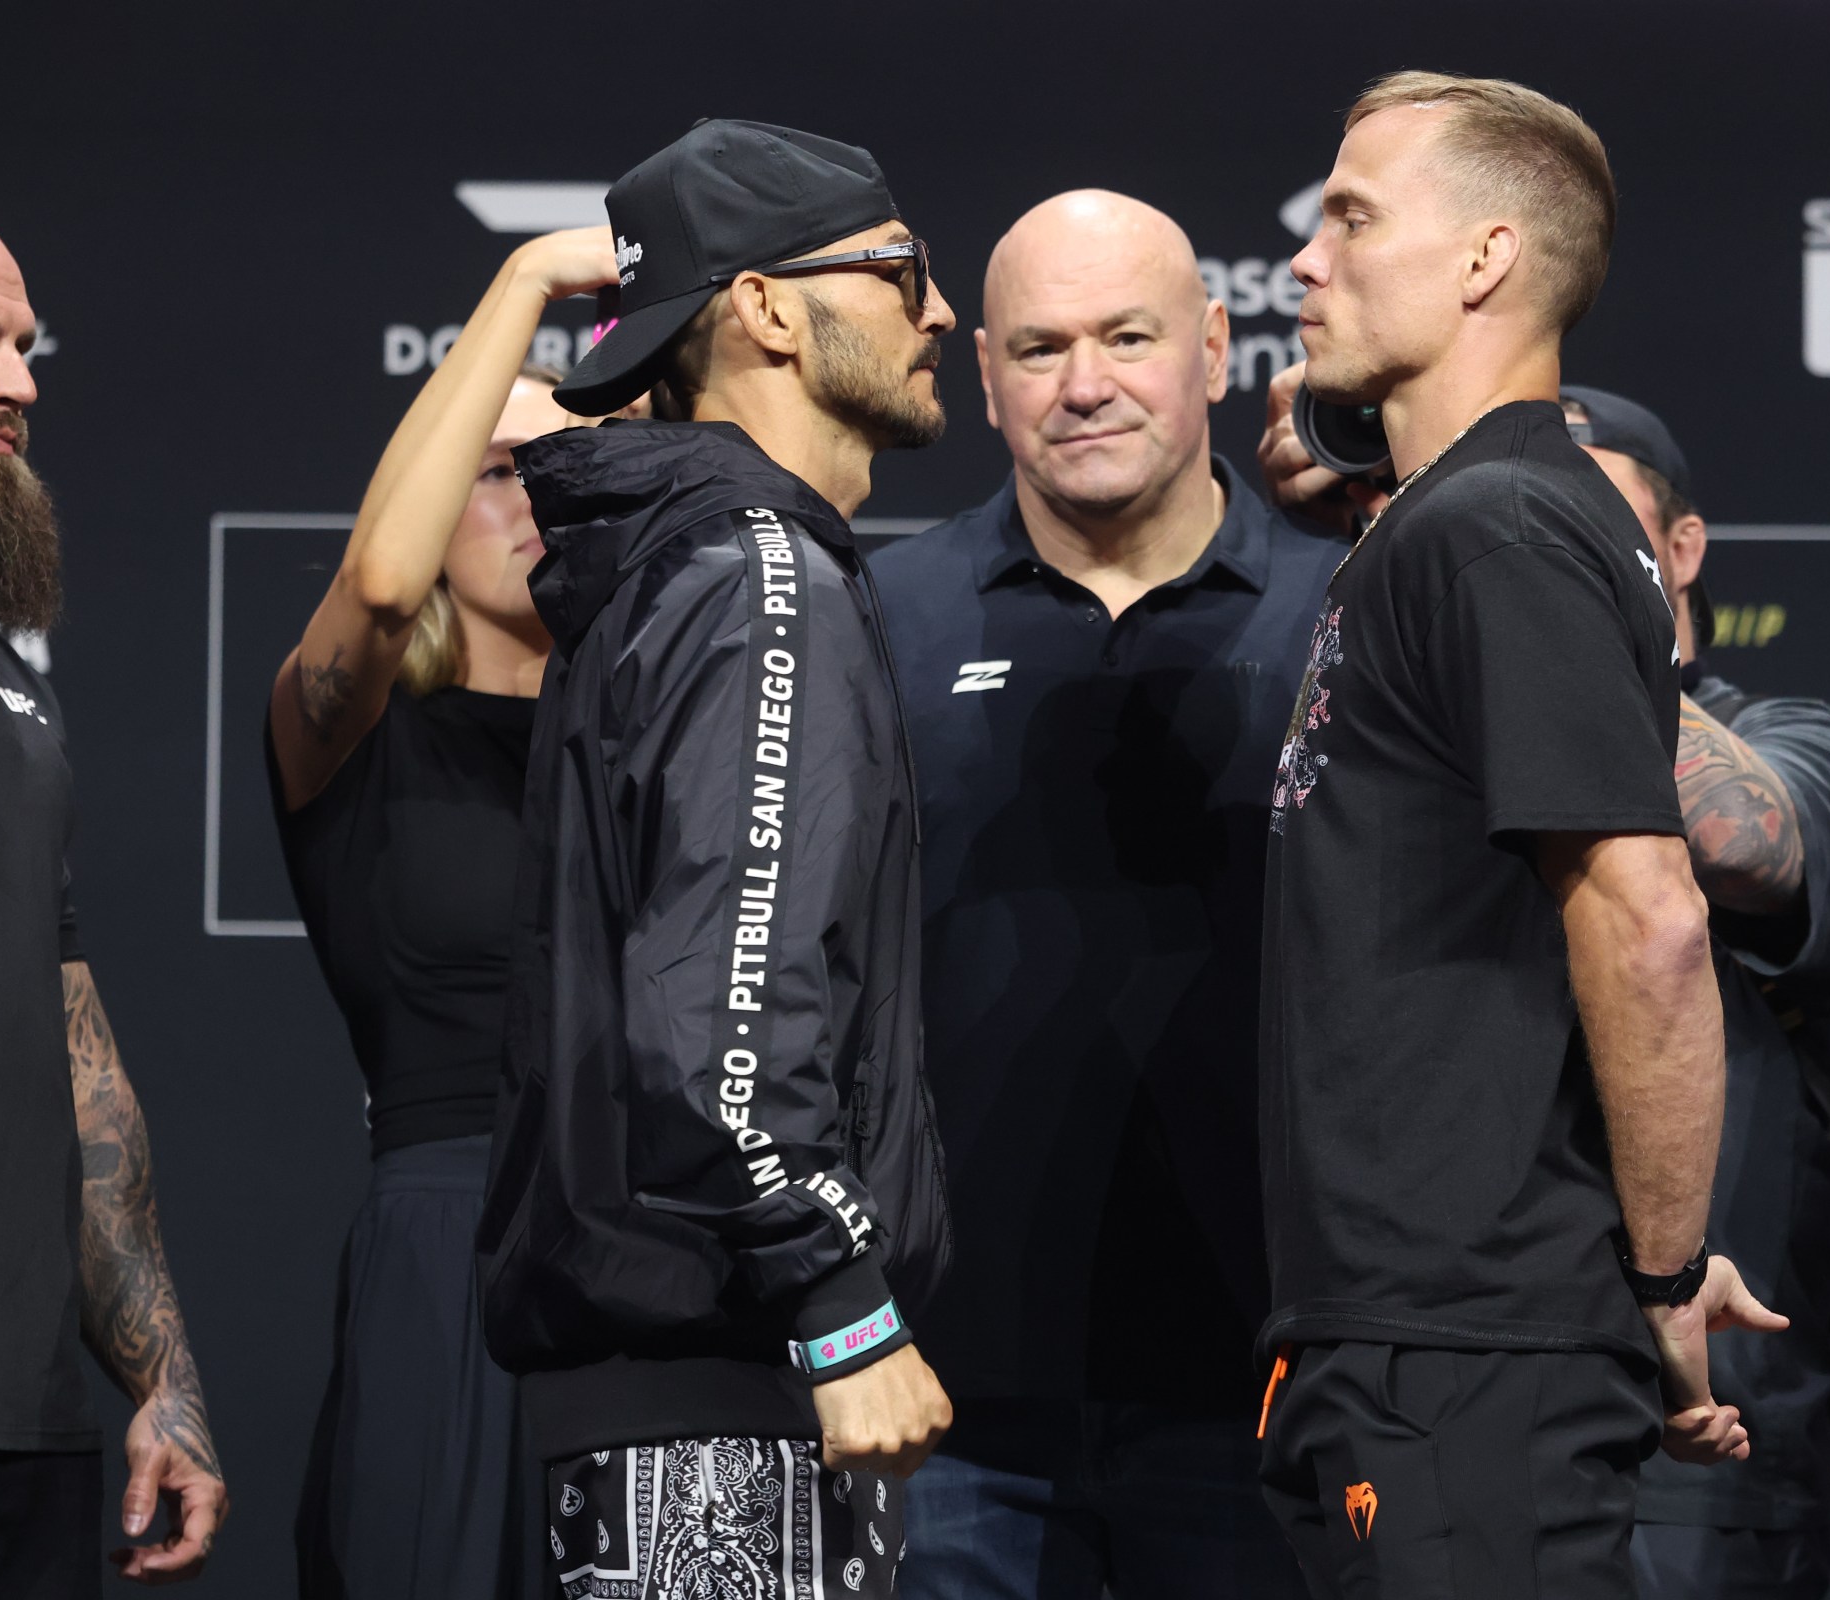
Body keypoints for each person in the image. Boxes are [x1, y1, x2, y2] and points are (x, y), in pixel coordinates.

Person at [1250, 73, 1784, 1599]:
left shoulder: (1500, 525)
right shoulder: (1448, 522)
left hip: (1464, 1354)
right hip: (1418, 1341)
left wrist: (1663, 1273)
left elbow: (1651, 922)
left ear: (1486, 257)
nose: (1305, 260)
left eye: (1353, 219)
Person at [1264, 368, 1830, 1600]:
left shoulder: (1806, 742)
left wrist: (1512, 570)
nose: (1539, 538)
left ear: (1681, 548)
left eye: (1582, 513)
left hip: (1712, 1437)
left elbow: (1749, 848)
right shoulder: (1419, 702)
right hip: (1482, 1376)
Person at [474, 119, 957, 1600]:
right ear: (765, 310)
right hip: (728, 1392)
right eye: (900, 270)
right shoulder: (756, 574)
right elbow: (721, 1015)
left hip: (687, 1386)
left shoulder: (695, 564)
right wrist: (841, 1303)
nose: (940, 311)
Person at [867, 189, 1338, 1600]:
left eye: (1128, 338)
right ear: (984, 376)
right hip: (946, 1403)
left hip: (1270, 1385)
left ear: (1216, 346)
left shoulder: (1349, 611)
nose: (1084, 386)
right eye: (1039, 347)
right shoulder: (881, 614)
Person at [266, 225, 617, 1597]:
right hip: (450, 1250)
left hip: (649, 1247)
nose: (536, 500)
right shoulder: (348, 731)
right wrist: (526, 282)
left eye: (563, 471)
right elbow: (378, 585)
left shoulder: (653, 740)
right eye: (495, 471)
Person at [0, 201, 228, 1588]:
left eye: (27, 346)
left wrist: (163, 1379)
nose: (22, 382)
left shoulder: (3, 689)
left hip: (20, 1430)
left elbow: (74, 1056)